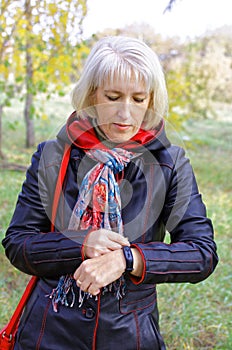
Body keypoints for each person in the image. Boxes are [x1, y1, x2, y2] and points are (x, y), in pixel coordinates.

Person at [2, 36, 218, 350]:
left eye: (139, 99)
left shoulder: (170, 163)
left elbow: (202, 253)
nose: (126, 114)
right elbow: (17, 242)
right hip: (47, 332)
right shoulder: (52, 155)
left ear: (151, 99)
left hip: (130, 336)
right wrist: (80, 244)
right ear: (91, 93)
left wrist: (128, 259)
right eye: (113, 96)